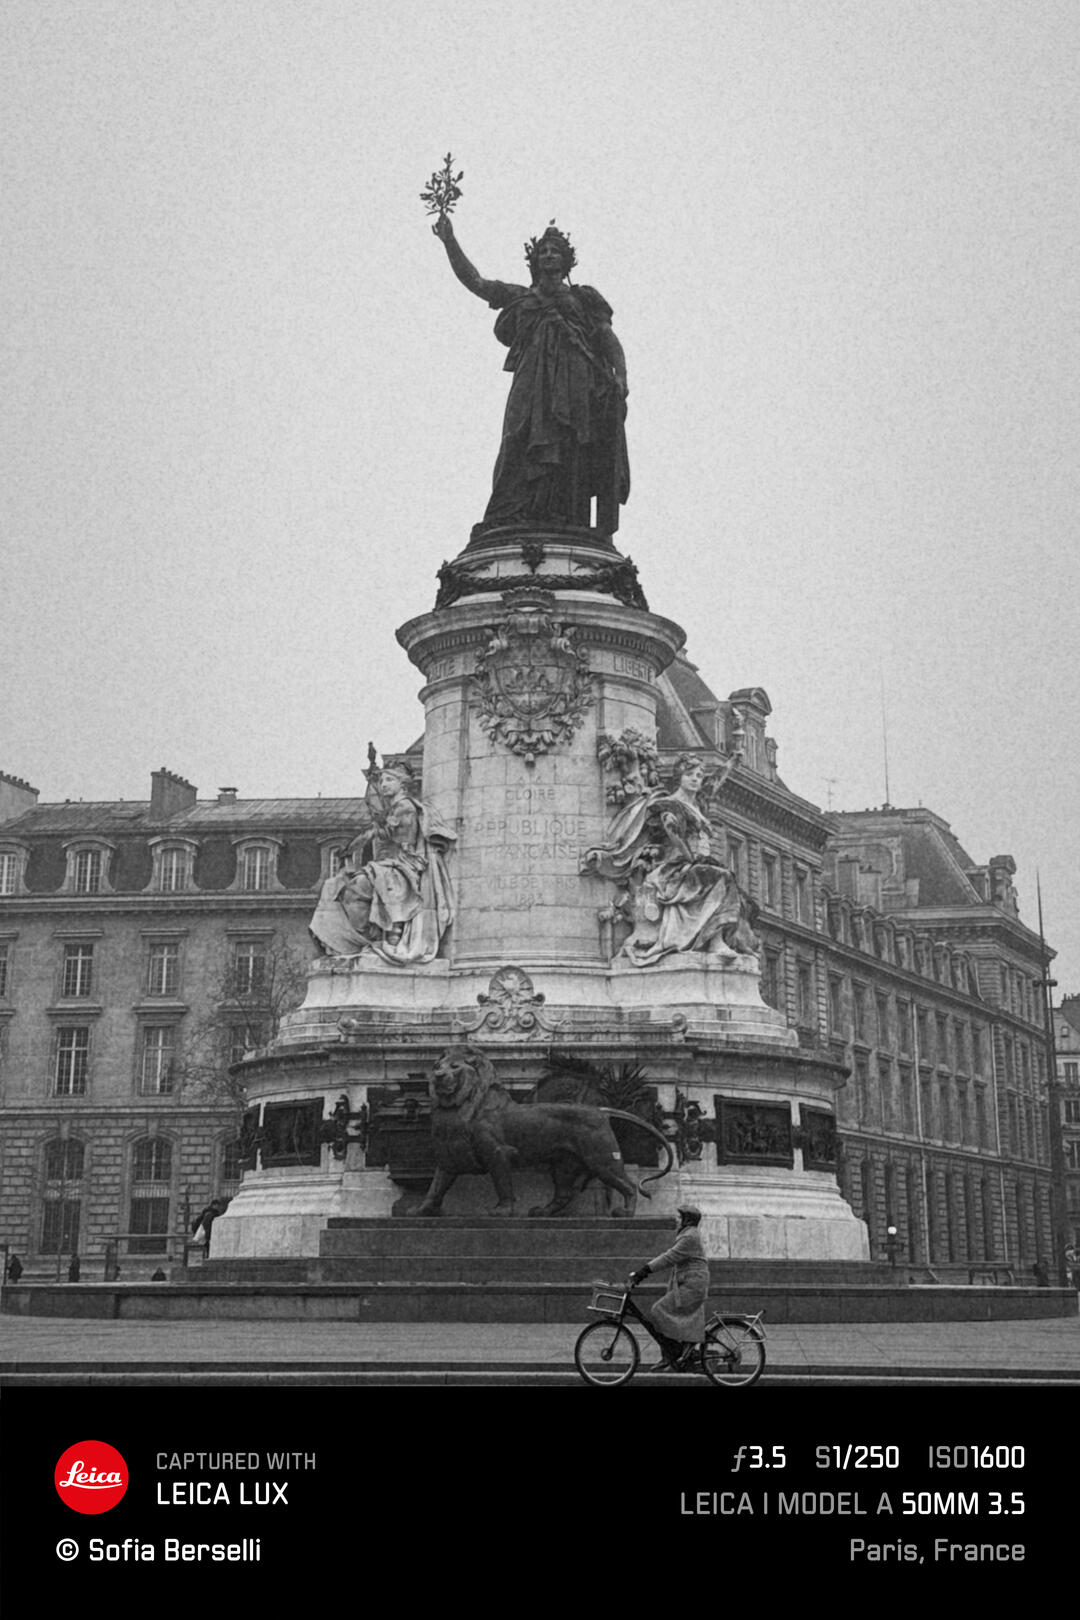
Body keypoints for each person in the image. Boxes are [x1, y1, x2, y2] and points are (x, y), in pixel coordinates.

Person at [433, 214, 629, 535]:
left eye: (555, 251)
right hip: (530, 381)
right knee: (517, 438)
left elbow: (607, 337)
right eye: (543, 251)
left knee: (570, 444)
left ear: (566, 261)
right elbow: (477, 283)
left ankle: (568, 517)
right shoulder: (521, 297)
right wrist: (450, 242)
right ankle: (511, 512)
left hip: (576, 381)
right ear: (535, 261)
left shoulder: (584, 298)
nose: (549, 255)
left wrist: (621, 374)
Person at [582, 755, 760, 965]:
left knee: (736, 891)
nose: (696, 779)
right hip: (675, 866)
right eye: (690, 775)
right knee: (722, 878)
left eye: (699, 775)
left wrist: (734, 760)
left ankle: (718, 940)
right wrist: (692, 860)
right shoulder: (671, 806)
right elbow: (675, 837)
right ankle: (715, 941)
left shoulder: (699, 802)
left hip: (697, 864)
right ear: (679, 778)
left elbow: (714, 783)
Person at [310, 763, 456, 966]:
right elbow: (374, 834)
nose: (383, 784)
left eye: (389, 780)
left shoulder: (405, 807)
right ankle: (369, 938)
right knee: (336, 887)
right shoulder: (392, 810)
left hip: (405, 865)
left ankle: (381, 937)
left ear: (402, 784)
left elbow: (399, 841)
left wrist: (378, 826)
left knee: (356, 887)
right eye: (381, 780)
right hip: (388, 865)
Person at [629, 1204, 710, 1372]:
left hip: (692, 1284)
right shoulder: (688, 1235)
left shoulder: (689, 1237)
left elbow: (669, 1257)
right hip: (689, 1282)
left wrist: (644, 1271)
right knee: (665, 1313)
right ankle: (672, 1353)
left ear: (687, 1220)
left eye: (679, 1218)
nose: (676, 1220)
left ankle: (674, 1351)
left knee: (659, 1310)